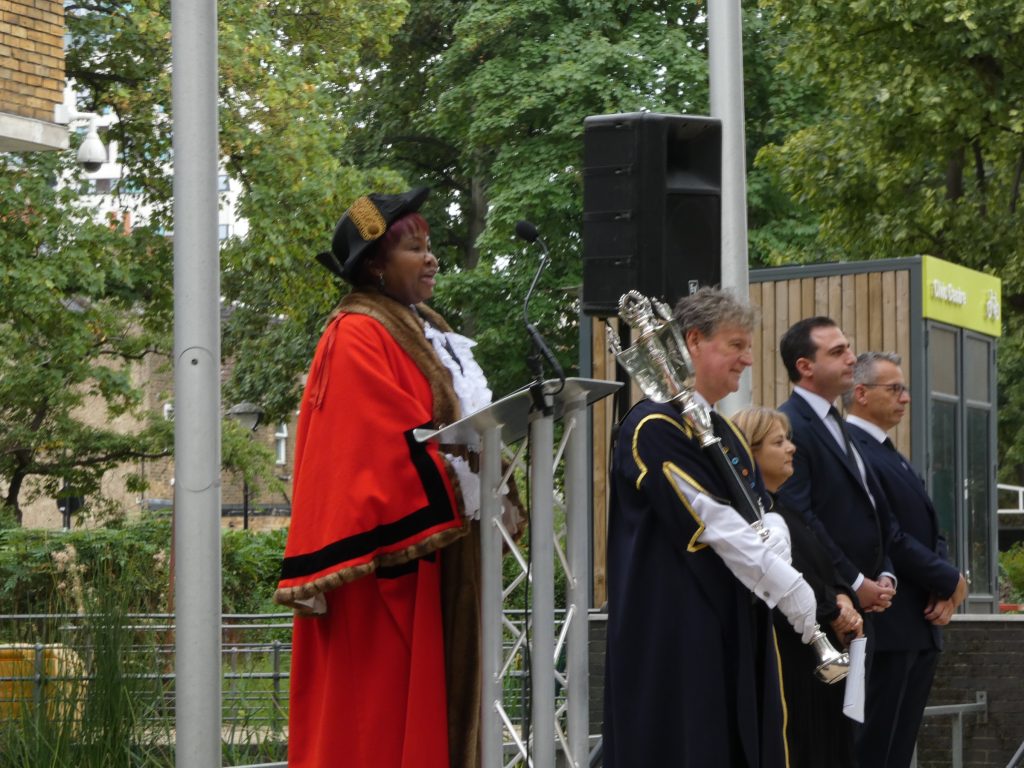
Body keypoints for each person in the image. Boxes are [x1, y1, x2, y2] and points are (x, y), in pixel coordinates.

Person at [274, 187, 519, 768]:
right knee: (379, 722)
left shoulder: (421, 325)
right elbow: (372, 450)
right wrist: (456, 481)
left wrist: (494, 474)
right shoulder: (356, 332)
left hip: (439, 551)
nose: (431, 258)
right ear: (376, 265)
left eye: (430, 246)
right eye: (414, 247)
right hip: (393, 563)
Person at [603, 287, 819, 768]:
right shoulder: (653, 425)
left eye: (748, 347)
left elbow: (763, 507)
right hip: (677, 623)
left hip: (735, 613)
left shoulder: (725, 430)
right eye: (736, 345)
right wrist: (786, 581)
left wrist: (776, 539)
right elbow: (710, 519)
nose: (747, 359)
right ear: (694, 341)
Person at [776, 316, 897, 767]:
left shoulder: (837, 422)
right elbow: (801, 518)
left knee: (861, 732)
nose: (852, 358)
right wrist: (853, 579)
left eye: (849, 348)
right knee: (833, 736)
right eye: (838, 351)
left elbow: (871, 509)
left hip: (867, 603)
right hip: (832, 607)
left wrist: (884, 572)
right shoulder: (792, 425)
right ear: (805, 366)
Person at [843, 352, 967, 768]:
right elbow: (887, 534)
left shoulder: (888, 451)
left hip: (921, 621)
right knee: (874, 749)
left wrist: (948, 585)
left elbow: (930, 529)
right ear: (860, 393)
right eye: (894, 389)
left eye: (904, 389)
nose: (905, 398)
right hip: (890, 626)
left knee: (896, 749)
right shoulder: (854, 451)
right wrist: (949, 579)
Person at [732, 406, 863, 768]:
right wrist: (833, 610)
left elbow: (822, 563)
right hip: (790, 655)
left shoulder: (787, 507)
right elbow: (787, 573)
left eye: (788, 439)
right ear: (750, 452)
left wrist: (841, 595)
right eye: (778, 442)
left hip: (824, 656)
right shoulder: (751, 516)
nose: (791, 448)